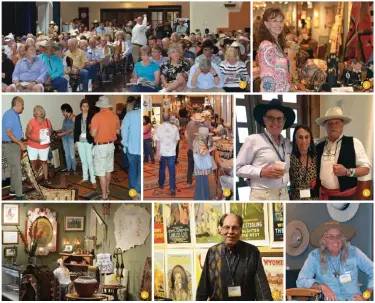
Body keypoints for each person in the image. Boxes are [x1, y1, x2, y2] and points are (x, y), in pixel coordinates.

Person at [196, 214, 272, 300]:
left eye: (235, 228)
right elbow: (203, 289)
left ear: (240, 230)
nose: (230, 231)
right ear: (220, 230)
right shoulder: (212, 252)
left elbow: (262, 288)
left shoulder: (252, 252)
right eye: (226, 227)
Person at [296, 220, 373, 301]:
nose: (336, 240)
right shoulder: (315, 256)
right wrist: (321, 286)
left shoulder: (354, 253)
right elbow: (301, 281)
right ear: (324, 240)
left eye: (339, 236)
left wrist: (365, 295)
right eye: (331, 237)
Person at [236, 99, 295, 200]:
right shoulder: (253, 140)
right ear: (264, 119)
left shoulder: (287, 143)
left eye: (279, 118)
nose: (275, 122)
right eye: (270, 118)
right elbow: (238, 168)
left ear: (284, 121)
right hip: (262, 195)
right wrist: (262, 172)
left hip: (284, 193)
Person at [315, 107, 371, 200]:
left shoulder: (354, 142)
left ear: (342, 125)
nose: (333, 126)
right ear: (325, 126)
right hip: (323, 195)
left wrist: (347, 172)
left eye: (337, 123)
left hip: (346, 197)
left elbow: (366, 169)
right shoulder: (319, 146)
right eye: (329, 123)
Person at [91, 96, 121, 200]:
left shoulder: (96, 117)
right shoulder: (115, 116)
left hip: (101, 147)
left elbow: (93, 133)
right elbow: (117, 132)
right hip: (111, 146)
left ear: (99, 106)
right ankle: (107, 189)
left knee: (101, 172)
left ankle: (104, 195)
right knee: (108, 170)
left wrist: (91, 129)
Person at [257, 8, 291, 92]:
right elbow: (267, 78)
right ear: (266, 24)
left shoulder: (277, 44)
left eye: (281, 21)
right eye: (275, 21)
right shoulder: (266, 45)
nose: (279, 24)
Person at [2, 97, 26, 200]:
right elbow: (8, 133)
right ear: (18, 104)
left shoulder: (14, 114)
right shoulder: (9, 114)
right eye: (22, 105)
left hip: (13, 144)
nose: (23, 107)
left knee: (14, 169)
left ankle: (12, 190)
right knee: (17, 170)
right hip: (10, 145)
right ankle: (19, 195)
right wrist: (20, 143)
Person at [26, 105, 53, 185]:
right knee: (33, 162)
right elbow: (27, 134)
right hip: (32, 146)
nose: (36, 112)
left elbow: (51, 131)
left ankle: (46, 179)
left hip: (44, 146)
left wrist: (49, 133)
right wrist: (36, 140)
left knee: (44, 162)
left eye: (38, 111)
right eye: (35, 111)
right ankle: (33, 180)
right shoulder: (31, 122)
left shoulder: (47, 121)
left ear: (42, 112)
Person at [289, 125, 318, 200]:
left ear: (310, 139)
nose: (304, 141)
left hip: (315, 199)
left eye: (307, 137)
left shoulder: (316, 157)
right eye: (300, 137)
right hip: (297, 200)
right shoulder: (290, 158)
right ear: (295, 139)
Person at [155, 113, 180, 196]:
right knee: (172, 170)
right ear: (169, 118)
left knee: (162, 168)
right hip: (172, 153)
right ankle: (172, 188)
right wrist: (173, 147)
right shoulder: (174, 128)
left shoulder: (159, 127)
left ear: (162, 118)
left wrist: (157, 153)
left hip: (162, 152)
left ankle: (161, 184)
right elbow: (177, 140)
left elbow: (158, 141)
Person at [121, 98, 141, 199]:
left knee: (132, 170)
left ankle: (133, 194)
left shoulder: (129, 115)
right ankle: (138, 192)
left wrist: (124, 143)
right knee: (140, 171)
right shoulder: (144, 115)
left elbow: (123, 129)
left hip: (131, 148)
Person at [74, 99, 96, 189]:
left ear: (88, 107)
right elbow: (76, 130)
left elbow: (94, 129)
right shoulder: (78, 117)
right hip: (80, 141)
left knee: (90, 161)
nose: (85, 108)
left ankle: (93, 180)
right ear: (81, 107)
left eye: (87, 106)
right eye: (83, 106)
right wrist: (75, 142)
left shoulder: (92, 116)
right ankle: (85, 177)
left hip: (88, 141)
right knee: (83, 160)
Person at [193, 127, 214, 200]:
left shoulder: (196, 140)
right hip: (202, 168)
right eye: (206, 135)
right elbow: (204, 152)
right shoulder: (200, 142)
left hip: (198, 166)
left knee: (200, 184)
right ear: (204, 135)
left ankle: (200, 198)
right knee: (203, 184)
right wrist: (211, 149)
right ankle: (203, 199)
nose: (207, 136)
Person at [185, 113, 205, 188]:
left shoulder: (189, 123)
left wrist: (188, 140)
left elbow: (186, 132)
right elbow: (204, 139)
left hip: (191, 148)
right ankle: (199, 183)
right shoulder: (202, 126)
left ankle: (189, 182)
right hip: (199, 150)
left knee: (190, 166)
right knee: (199, 167)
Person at [58, 104, 76, 175]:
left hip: (71, 138)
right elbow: (63, 129)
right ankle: (68, 169)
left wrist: (62, 134)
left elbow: (72, 130)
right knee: (66, 155)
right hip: (65, 139)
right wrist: (58, 131)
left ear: (66, 110)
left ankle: (74, 169)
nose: (62, 113)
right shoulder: (65, 119)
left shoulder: (73, 117)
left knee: (72, 155)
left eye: (63, 111)